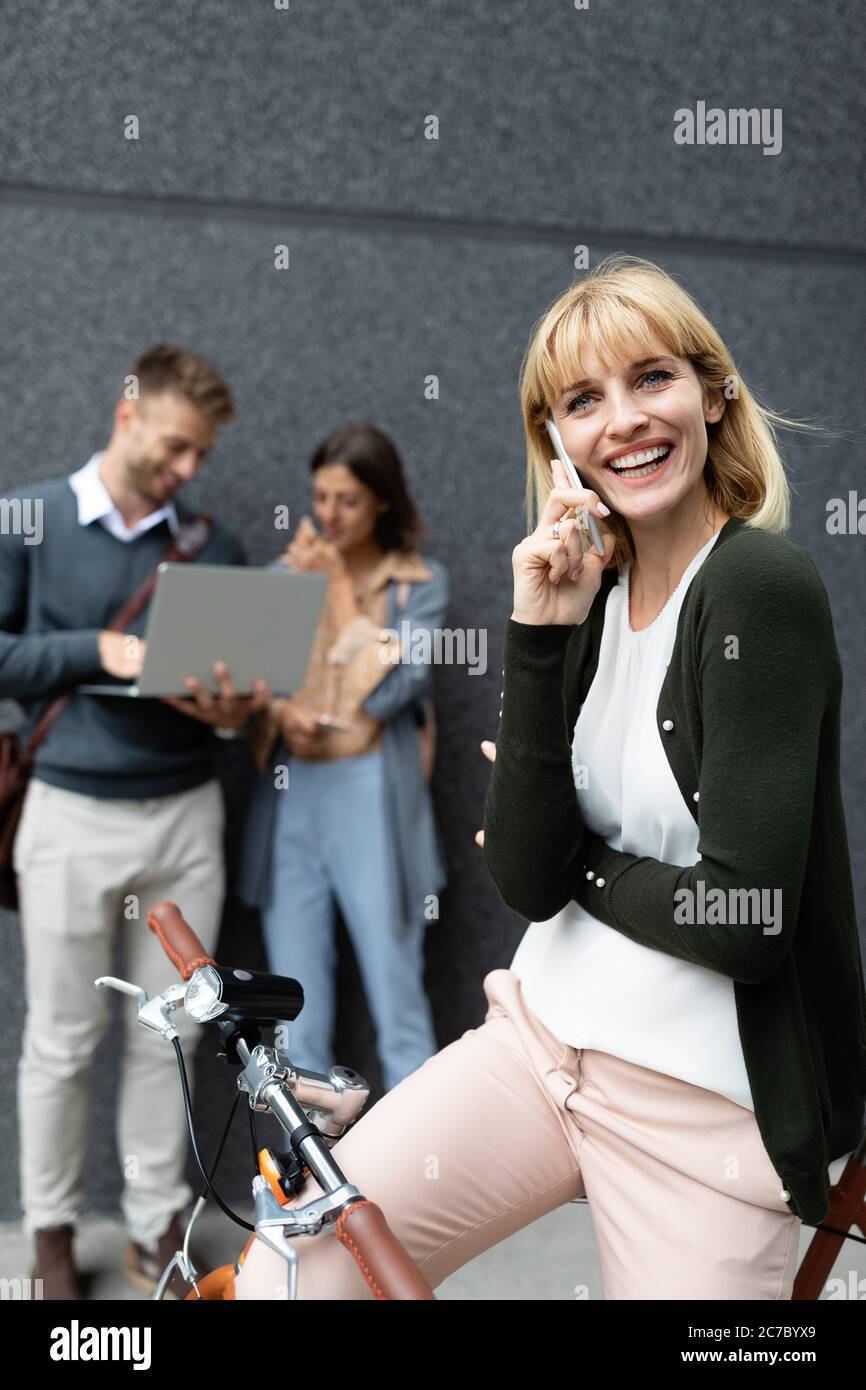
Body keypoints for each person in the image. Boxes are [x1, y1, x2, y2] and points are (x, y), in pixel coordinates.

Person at [233, 257, 866, 1301]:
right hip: (537, 1046)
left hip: (704, 1108)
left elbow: (743, 915)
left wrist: (584, 864)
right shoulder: (579, 591)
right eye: (581, 400)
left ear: (711, 394)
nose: (619, 420)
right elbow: (524, 877)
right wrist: (536, 630)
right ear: (556, 443)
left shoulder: (758, 586)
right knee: (294, 1268)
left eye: (648, 379)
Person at [0, 344, 269, 1299]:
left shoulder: (212, 545)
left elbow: (232, 700)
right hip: (69, 814)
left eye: (200, 455)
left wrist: (234, 712)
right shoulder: (25, 520)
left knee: (172, 1040)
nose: (188, 470)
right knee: (61, 1044)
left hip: (187, 814)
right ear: (126, 416)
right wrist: (103, 649)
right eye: (175, 446)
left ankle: (158, 1233)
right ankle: (50, 1242)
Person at [238, 422, 448, 1092]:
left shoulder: (419, 585)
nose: (328, 515)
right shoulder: (282, 576)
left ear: (382, 501)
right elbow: (248, 685)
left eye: (348, 500)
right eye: (320, 498)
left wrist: (332, 592)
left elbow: (395, 690)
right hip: (292, 791)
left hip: (373, 792)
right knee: (295, 1012)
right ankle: (298, 1190)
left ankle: (423, 1181)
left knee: (398, 994)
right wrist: (279, 713)